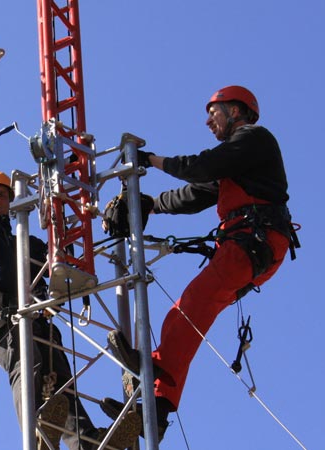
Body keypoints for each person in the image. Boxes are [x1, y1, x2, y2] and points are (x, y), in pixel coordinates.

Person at [101, 86, 299, 442]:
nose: (208, 120)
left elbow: (201, 167)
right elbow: (195, 194)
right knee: (184, 316)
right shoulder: (236, 163)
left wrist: (152, 160)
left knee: (189, 309)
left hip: (252, 243)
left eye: (214, 112)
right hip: (249, 247)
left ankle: (153, 371)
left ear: (236, 111)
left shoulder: (254, 139)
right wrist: (150, 205)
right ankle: (157, 411)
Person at [0, 118, 139, 450]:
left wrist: (89, 212)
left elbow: (65, 256)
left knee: (57, 373)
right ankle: (37, 432)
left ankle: (86, 443)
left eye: (2, 194)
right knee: (22, 351)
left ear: (12, 201)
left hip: (32, 314)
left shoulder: (26, 244)